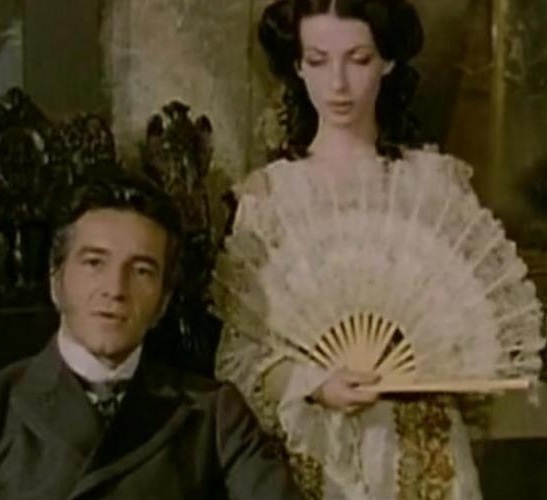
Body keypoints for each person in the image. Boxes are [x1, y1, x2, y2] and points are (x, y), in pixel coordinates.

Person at [0, 169, 305, 500]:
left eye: (141, 270)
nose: (115, 289)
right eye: (93, 263)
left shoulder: (214, 416)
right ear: (56, 282)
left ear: (163, 301)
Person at [215, 1, 483, 498]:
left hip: (422, 448)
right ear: (298, 66)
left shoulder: (437, 188)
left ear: (388, 61)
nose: (337, 84)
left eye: (358, 59)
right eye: (318, 61)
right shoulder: (270, 199)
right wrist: (314, 384)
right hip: (313, 449)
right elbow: (238, 360)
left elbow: (474, 333)